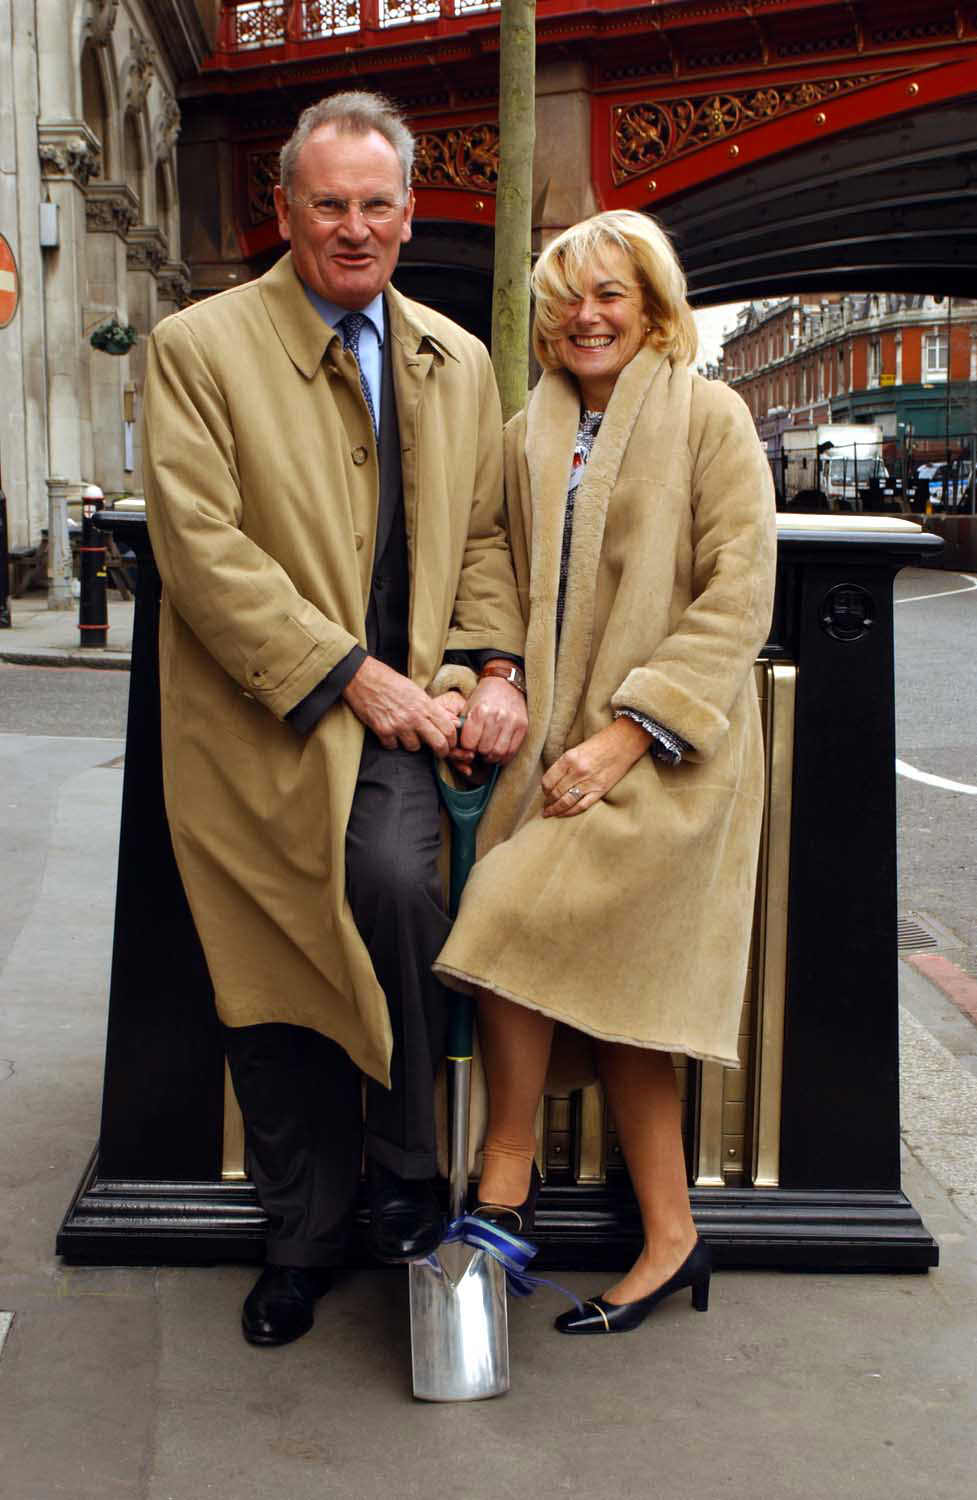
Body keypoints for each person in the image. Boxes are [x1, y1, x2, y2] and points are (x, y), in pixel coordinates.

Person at [142, 91, 528, 1347]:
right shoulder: (198, 347)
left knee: (401, 896)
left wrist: (490, 667)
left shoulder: (457, 360)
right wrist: (351, 673)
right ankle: (300, 1239)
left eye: (375, 204)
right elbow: (201, 551)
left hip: (407, 714)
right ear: (286, 210)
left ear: (409, 215)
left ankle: (406, 1174)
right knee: (277, 973)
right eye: (328, 203)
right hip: (267, 721)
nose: (352, 228)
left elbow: (478, 537)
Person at [435, 210, 777, 1334]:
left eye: (610, 296)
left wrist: (627, 734)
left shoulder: (710, 416)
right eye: (567, 298)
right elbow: (488, 554)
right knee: (618, 1004)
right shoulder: (525, 425)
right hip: (551, 753)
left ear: (653, 308)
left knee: (501, 914)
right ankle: (672, 1238)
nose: (585, 317)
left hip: (668, 758)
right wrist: (490, 672)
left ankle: (502, 1177)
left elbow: (737, 598)